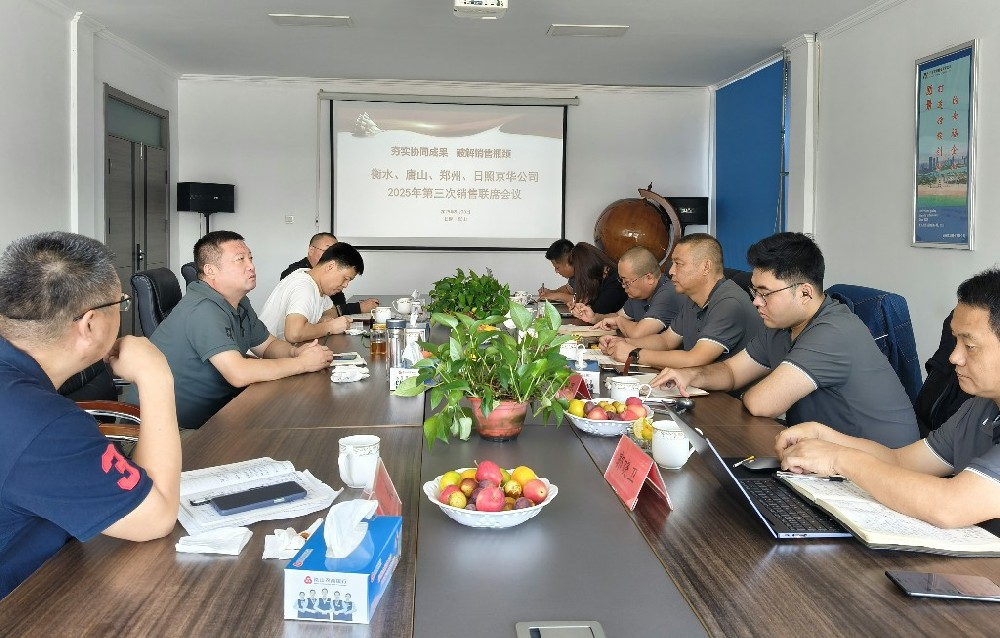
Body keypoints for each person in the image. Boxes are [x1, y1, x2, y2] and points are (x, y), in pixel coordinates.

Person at [0, 231, 180, 598]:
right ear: (90, 325)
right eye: (121, 303)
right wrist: (156, 377)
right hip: (25, 606)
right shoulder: (42, 423)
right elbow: (156, 517)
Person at [777, 268, 1000, 528]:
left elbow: (948, 506)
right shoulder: (981, 407)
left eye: (970, 346)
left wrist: (839, 459)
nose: (954, 357)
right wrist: (824, 437)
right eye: (955, 342)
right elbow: (902, 461)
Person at [650, 232, 918, 448]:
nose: (756, 302)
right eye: (754, 291)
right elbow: (731, 372)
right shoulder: (780, 326)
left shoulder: (833, 331)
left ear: (804, 293)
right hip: (825, 454)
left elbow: (761, 403)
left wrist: (745, 392)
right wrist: (691, 376)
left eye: (765, 293)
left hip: (881, 465)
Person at [151, 231, 334, 429]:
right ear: (210, 270)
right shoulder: (202, 308)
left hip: (222, 410)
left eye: (250, 258)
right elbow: (238, 373)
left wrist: (295, 352)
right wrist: (302, 363)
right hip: (177, 430)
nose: (251, 266)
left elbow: (267, 345)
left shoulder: (238, 302)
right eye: (240, 260)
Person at [599, 234, 762, 369]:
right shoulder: (693, 299)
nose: (671, 271)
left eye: (678, 264)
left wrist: (634, 354)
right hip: (699, 385)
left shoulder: (729, 303)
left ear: (706, 267)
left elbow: (694, 359)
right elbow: (666, 341)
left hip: (730, 396)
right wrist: (623, 343)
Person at [260, 242, 365, 342]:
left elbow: (331, 309)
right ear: (330, 266)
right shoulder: (304, 286)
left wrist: (325, 319)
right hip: (267, 353)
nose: (345, 285)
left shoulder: (316, 283)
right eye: (346, 278)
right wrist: (330, 327)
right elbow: (294, 334)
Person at [572, 246, 682, 338]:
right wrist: (594, 317)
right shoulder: (638, 295)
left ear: (649, 278)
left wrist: (619, 321)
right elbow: (617, 315)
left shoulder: (668, 293)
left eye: (627, 282)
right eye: (622, 281)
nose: (623, 286)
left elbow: (638, 333)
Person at [281, 233, 378, 316]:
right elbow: (295, 329)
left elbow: (336, 306)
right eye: (328, 251)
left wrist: (330, 317)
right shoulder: (298, 277)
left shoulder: (329, 278)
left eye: (336, 254)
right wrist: (358, 307)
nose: (333, 257)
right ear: (311, 250)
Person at [537, 239, 575, 305]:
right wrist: (551, 293)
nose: (556, 271)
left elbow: (584, 300)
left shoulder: (586, 272)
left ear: (568, 263)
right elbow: (568, 289)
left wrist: (558, 296)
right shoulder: (573, 276)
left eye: (557, 267)